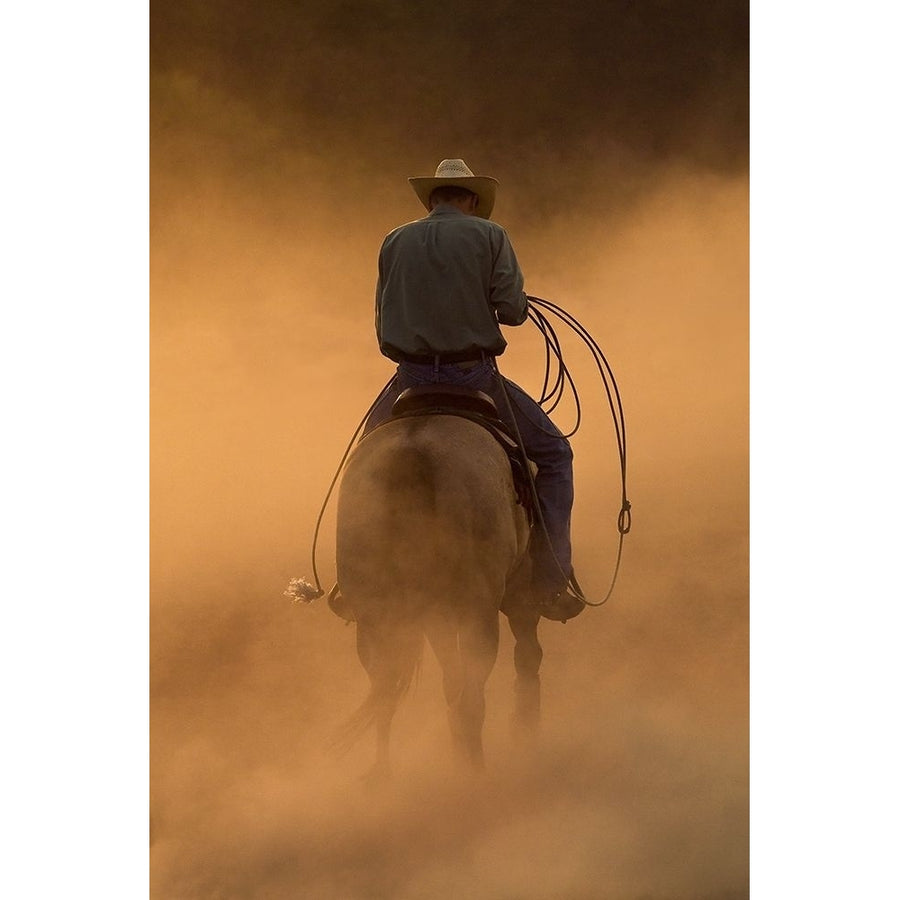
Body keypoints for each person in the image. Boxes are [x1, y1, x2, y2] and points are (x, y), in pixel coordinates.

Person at [363, 158, 583, 622]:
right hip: (472, 375)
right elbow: (512, 310)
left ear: (432, 200)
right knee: (556, 454)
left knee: (365, 460)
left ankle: (354, 581)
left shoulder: (394, 240)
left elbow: (383, 325)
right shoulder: (490, 236)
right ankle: (551, 580)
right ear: (471, 200)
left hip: (411, 377)